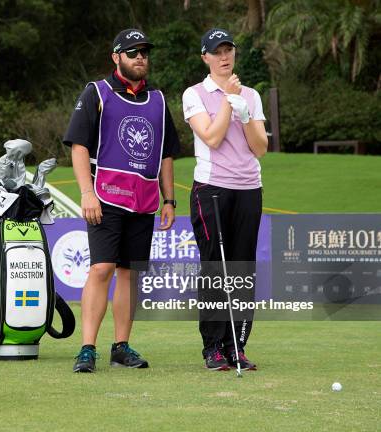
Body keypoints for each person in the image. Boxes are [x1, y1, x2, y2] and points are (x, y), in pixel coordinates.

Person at [63, 28, 180, 373]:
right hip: (105, 197)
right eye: (133, 52)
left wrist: (169, 200)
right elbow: (79, 145)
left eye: (144, 52)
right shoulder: (96, 92)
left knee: (129, 274)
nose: (140, 57)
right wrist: (86, 192)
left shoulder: (158, 100)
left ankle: (121, 347)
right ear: (116, 57)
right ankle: (87, 348)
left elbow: (167, 154)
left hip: (143, 202)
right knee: (101, 268)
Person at [182, 28, 268, 371]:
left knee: (241, 270)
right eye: (216, 52)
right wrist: (228, 104)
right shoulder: (195, 94)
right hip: (212, 189)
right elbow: (213, 137)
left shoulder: (251, 94)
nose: (224, 56)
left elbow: (260, 147)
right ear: (205, 57)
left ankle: (237, 346)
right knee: (216, 269)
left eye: (228, 50)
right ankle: (213, 347)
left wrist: (245, 112)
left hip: (249, 188)